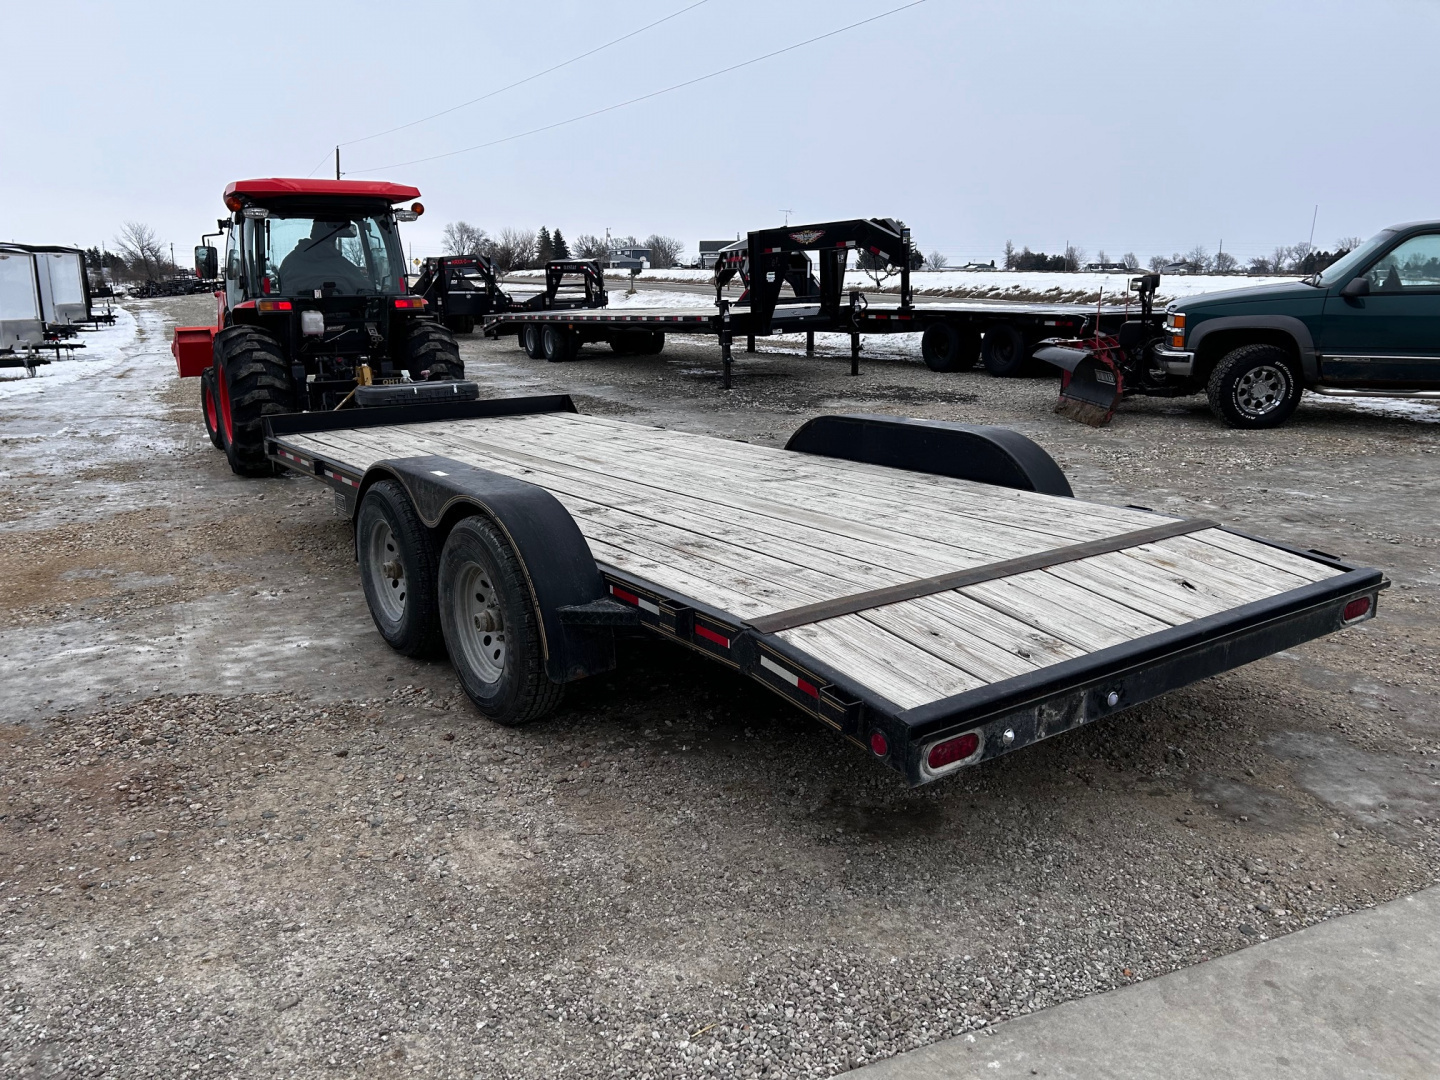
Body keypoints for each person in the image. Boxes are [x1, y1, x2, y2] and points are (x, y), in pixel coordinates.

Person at [277, 220, 370, 295]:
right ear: (334, 237)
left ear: (313, 233)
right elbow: (368, 290)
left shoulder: (289, 262)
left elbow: (282, 288)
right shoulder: (344, 266)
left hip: (297, 311)